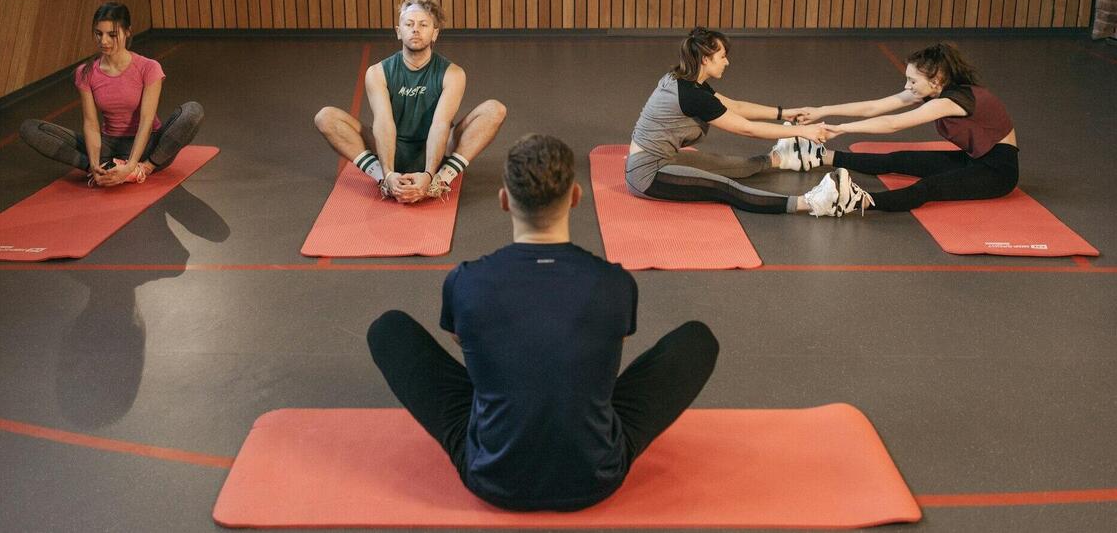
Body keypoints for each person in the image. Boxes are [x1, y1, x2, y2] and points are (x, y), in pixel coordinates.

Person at [367, 134, 719, 511]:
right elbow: (607, 346)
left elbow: (460, 339)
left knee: (388, 328)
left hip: (491, 476)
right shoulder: (614, 281)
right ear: (575, 197)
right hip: (596, 476)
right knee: (698, 340)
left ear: (504, 200)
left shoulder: (466, 280)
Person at [626, 26, 870, 217]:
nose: (727, 62)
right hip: (648, 175)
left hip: (660, 159)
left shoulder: (686, 80)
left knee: (732, 165)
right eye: (722, 56)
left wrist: (784, 113)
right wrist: (804, 131)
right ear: (705, 59)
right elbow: (747, 129)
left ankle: (783, 158)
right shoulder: (692, 95)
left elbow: (736, 106)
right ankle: (815, 202)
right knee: (724, 188)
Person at [776, 42, 1019, 213]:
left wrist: (841, 128)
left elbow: (892, 124)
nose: (908, 86)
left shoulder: (951, 102)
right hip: (973, 160)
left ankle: (858, 201)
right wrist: (823, 110)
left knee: (927, 188)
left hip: (998, 173)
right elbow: (874, 107)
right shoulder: (934, 91)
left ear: (936, 81)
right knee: (898, 159)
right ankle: (820, 156)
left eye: (913, 81)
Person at [314, 0, 506, 202]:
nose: (416, 29)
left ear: (434, 33)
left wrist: (429, 174)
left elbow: (440, 125)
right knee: (326, 117)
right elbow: (384, 124)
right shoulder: (377, 72)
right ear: (399, 31)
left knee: (494, 109)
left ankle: (440, 181)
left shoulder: (453, 74)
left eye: (424, 24)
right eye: (409, 24)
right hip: (390, 148)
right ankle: (383, 180)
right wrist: (388, 173)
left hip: (436, 149)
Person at [19, 2, 203, 186]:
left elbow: (146, 120)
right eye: (99, 34)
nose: (104, 41)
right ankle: (100, 170)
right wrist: (92, 164)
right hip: (108, 147)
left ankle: (144, 168)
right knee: (30, 128)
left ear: (127, 32)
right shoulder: (85, 72)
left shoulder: (149, 67)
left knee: (193, 111)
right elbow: (90, 123)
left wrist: (132, 165)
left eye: (112, 35)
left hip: (148, 148)